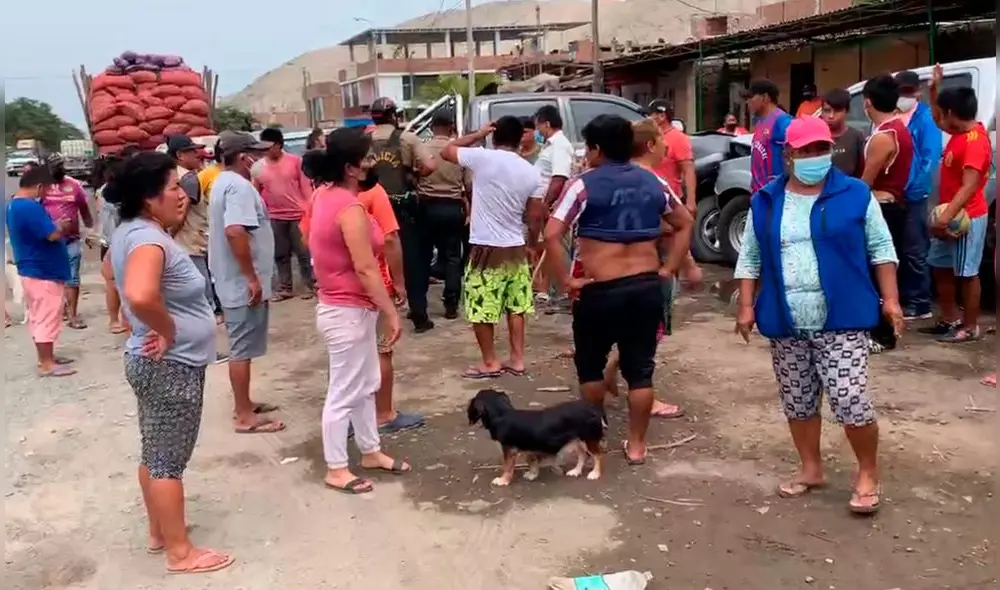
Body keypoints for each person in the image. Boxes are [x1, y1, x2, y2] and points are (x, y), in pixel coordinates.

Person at [733, 116, 902, 515]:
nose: (814, 157)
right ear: (788, 155)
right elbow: (751, 256)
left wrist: (891, 300)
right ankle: (811, 469)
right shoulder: (766, 200)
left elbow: (881, 249)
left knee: (850, 397)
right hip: (786, 316)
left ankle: (867, 473)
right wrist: (745, 306)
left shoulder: (856, 194)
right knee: (798, 399)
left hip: (843, 315)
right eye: (805, 150)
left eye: (821, 149)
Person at [104, 151, 233, 574]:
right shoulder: (148, 240)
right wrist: (167, 329)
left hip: (154, 362)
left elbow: (115, 274)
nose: (182, 193)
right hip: (170, 364)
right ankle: (181, 553)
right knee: (166, 462)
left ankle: (160, 531)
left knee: (154, 451)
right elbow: (140, 295)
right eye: (174, 187)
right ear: (148, 198)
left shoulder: (133, 230)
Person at [545, 114, 694, 465]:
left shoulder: (583, 185)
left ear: (596, 149)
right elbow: (684, 221)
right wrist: (669, 267)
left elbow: (551, 233)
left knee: (591, 368)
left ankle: (595, 437)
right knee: (640, 370)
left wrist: (566, 280)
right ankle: (638, 446)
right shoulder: (653, 182)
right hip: (645, 287)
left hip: (599, 289)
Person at [308, 127, 411, 493]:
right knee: (344, 391)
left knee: (366, 384)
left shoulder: (324, 194)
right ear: (352, 167)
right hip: (347, 310)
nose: (372, 162)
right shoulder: (348, 207)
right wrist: (392, 311)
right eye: (367, 157)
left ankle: (370, 450)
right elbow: (366, 268)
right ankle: (336, 467)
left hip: (346, 307)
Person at [594, 118, 700, 419]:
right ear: (651, 145)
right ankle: (639, 394)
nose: (667, 144)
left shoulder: (612, 177)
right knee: (645, 338)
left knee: (625, 333)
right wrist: (682, 264)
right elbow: (675, 225)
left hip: (613, 272)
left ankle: (609, 373)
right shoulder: (651, 181)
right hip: (650, 269)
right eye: (662, 139)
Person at [439, 117, 546, 379]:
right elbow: (534, 218)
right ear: (521, 137)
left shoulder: (482, 157)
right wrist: (532, 245)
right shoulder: (532, 172)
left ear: (494, 135)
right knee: (516, 306)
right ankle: (517, 359)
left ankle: (490, 361)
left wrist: (479, 133)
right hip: (515, 246)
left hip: (485, 247)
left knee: (481, 306)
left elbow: (446, 150)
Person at [208, 131, 285, 434]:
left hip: (233, 278)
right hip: (240, 282)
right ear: (243, 158)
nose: (260, 158)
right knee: (241, 347)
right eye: (256, 153)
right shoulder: (238, 187)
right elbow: (235, 231)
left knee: (245, 346)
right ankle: (243, 415)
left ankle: (245, 402)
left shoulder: (223, 182)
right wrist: (251, 276)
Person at [920, 77, 991, 344]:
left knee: (967, 272)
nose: (940, 120)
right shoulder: (959, 133)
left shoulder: (974, 141)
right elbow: (938, 117)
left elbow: (970, 185)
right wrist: (934, 89)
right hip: (948, 215)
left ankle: (970, 327)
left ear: (952, 113)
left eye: (944, 112)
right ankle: (949, 318)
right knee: (940, 266)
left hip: (966, 217)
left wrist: (945, 219)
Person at [369, 97, 437, 331]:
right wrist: (415, 173)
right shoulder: (407, 138)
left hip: (372, 208)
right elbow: (430, 165)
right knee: (414, 260)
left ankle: (380, 312)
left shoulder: (364, 141)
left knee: (375, 259)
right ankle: (419, 313)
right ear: (393, 115)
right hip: (404, 207)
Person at [859, 74, 914, 354]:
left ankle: (882, 335)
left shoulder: (884, 137)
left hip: (882, 207)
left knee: (877, 270)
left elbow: (864, 183)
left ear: (867, 102)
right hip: (892, 205)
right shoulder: (899, 128)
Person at [6, 165, 76, 377]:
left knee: (40, 316)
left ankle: (47, 357)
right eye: (45, 189)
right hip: (42, 271)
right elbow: (51, 235)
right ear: (38, 186)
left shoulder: (13, 205)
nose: (46, 194)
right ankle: (46, 363)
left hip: (33, 269)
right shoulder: (28, 207)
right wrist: (61, 226)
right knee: (47, 316)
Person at [895, 70, 942, 321]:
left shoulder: (925, 119)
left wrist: (912, 189)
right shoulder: (895, 116)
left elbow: (929, 158)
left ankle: (919, 301)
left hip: (913, 194)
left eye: (906, 92)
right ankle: (905, 297)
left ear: (917, 92)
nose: (902, 97)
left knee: (915, 248)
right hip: (895, 193)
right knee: (899, 247)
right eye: (899, 92)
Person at [414, 113, 469, 321]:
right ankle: (451, 303)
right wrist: (469, 210)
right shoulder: (458, 151)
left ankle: (420, 305)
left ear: (432, 127)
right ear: (451, 127)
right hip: (452, 206)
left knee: (423, 256)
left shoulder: (422, 149)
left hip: (427, 206)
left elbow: (414, 177)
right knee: (453, 256)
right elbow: (469, 185)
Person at [253, 127, 316, 301]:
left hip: (298, 214)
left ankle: (310, 285)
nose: (266, 150)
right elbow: (256, 193)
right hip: (274, 217)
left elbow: (306, 187)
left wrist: (310, 210)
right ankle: (285, 287)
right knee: (280, 254)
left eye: (269, 146)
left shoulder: (296, 162)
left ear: (279, 145)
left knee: (304, 252)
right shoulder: (258, 168)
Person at [41, 152, 93, 330]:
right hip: (50, 241)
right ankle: (61, 308)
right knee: (54, 279)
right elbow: (34, 212)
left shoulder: (74, 185)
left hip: (72, 240)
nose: (58, 169)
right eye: (54, 166)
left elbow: (84, 210)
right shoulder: (42, 187)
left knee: (73, 278)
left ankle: (72, 315)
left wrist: (91, 231)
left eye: (60, 166)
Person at [534, 104, 577, 311]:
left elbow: (559, 178)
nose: (537, 131)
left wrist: (546, 204)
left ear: (547, 124)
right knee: (550, 248)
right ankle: (556, 290)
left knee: (558, 247)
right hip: (549, 205)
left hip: (555, 206)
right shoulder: (550, 145)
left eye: (538, 126)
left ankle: (567, 291)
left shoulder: (559, 145)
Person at [90, 153, 130, 334]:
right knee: (114, 285)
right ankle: (115, 320)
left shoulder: (124, 192)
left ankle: (127, 318)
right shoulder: (107, 195)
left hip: (124, 243)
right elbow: (109, 227)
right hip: (114, 245)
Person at [745, 80, 794, 194]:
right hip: (760, 195)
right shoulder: (760, 122)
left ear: (765, 97)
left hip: (776, 195)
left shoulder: (783, 122)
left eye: (750, 97)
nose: (748, 102)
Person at [648, 99, 696, 213]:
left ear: (661, 116)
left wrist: (691, 202)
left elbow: (688, 170)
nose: (647, 118)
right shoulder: (650, 136)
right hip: (649, 198)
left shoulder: (678, 138)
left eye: (650, 115)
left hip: (669, 202)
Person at [820, 89, 866, 178]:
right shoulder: (815, 137)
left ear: (846, 111)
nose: (831, 116)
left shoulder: (856, 137)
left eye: (837, 111)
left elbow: (861, 170)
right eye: (827, 110)